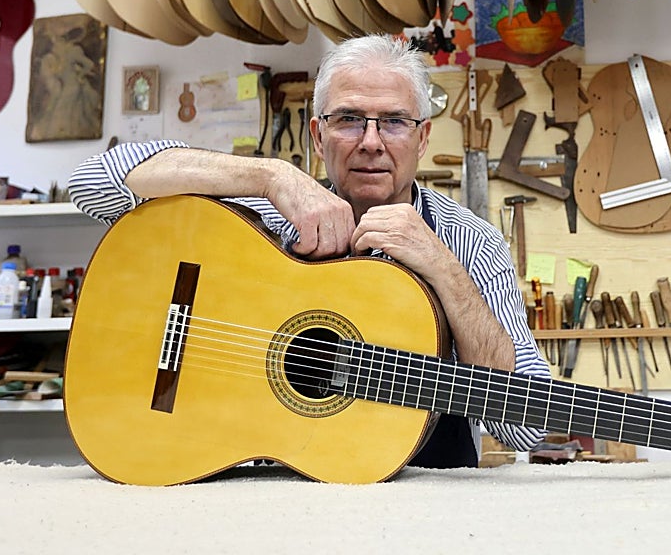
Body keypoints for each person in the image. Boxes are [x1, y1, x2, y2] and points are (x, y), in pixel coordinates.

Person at [68, 35, 549, 468]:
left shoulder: (472, 241)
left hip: (418, 513)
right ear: (318, 137)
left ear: (423, 138)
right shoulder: (266, 211)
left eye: (395, 122)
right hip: (266, 496)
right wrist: (268, 175)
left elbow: (523, 426)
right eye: (348, 120)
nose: (370, 142)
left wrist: (446, 271)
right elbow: (89, 183)